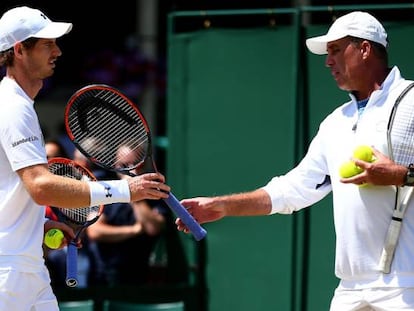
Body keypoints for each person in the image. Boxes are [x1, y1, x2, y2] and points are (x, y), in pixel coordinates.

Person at [176, 11, 414, 310]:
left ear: (365, 49)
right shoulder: (336, 122)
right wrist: (221, 205)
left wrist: (403, 175)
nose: (328, 62)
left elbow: (404, 175)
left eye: (336, 51)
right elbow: (293, 190)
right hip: (351, 288)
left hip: (407, 285)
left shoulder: (411, 100)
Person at [0, 6, 170, 311]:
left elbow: (11, 190)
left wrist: (39, 225)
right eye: (47, 44)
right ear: (19, 51)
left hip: (25, 269)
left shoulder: (16, 105)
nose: (58, 52)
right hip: (9, 274)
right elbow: (40, 186)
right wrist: (126, 191)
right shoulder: (13, 108)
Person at [86, 143, 168, 286]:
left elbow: (153, 228)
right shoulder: (104, 188)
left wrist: (135, 197)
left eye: (136, 164)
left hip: (139, 276)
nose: (130, 170)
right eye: (124, 165)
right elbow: (95, 231)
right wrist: (134, 230)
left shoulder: (155, 192)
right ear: (115, 165)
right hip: (102, 275)